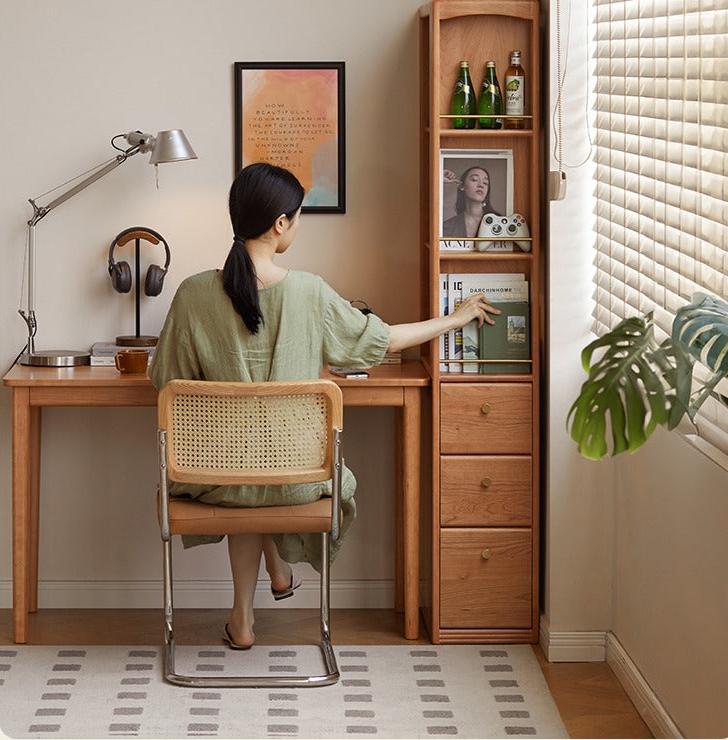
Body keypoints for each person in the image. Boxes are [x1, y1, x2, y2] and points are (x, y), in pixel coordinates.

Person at [149, 162, 499, 649]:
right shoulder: (310, 292)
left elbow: (164, 380)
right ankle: (272, 576)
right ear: (280, 224)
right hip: (299, 479)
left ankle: (244, 618)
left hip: (213, 478)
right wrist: (452, 319)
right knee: (266, 470)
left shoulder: (192, 294)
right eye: (297, 217)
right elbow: (384, 340)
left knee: (247, 470)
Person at [442, 165, 499, 238]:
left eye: (485, 183)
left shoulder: (499, 221)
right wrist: (439, 178)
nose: (481, 185)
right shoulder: (447, 227)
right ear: (462, 186)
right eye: (474, 179)